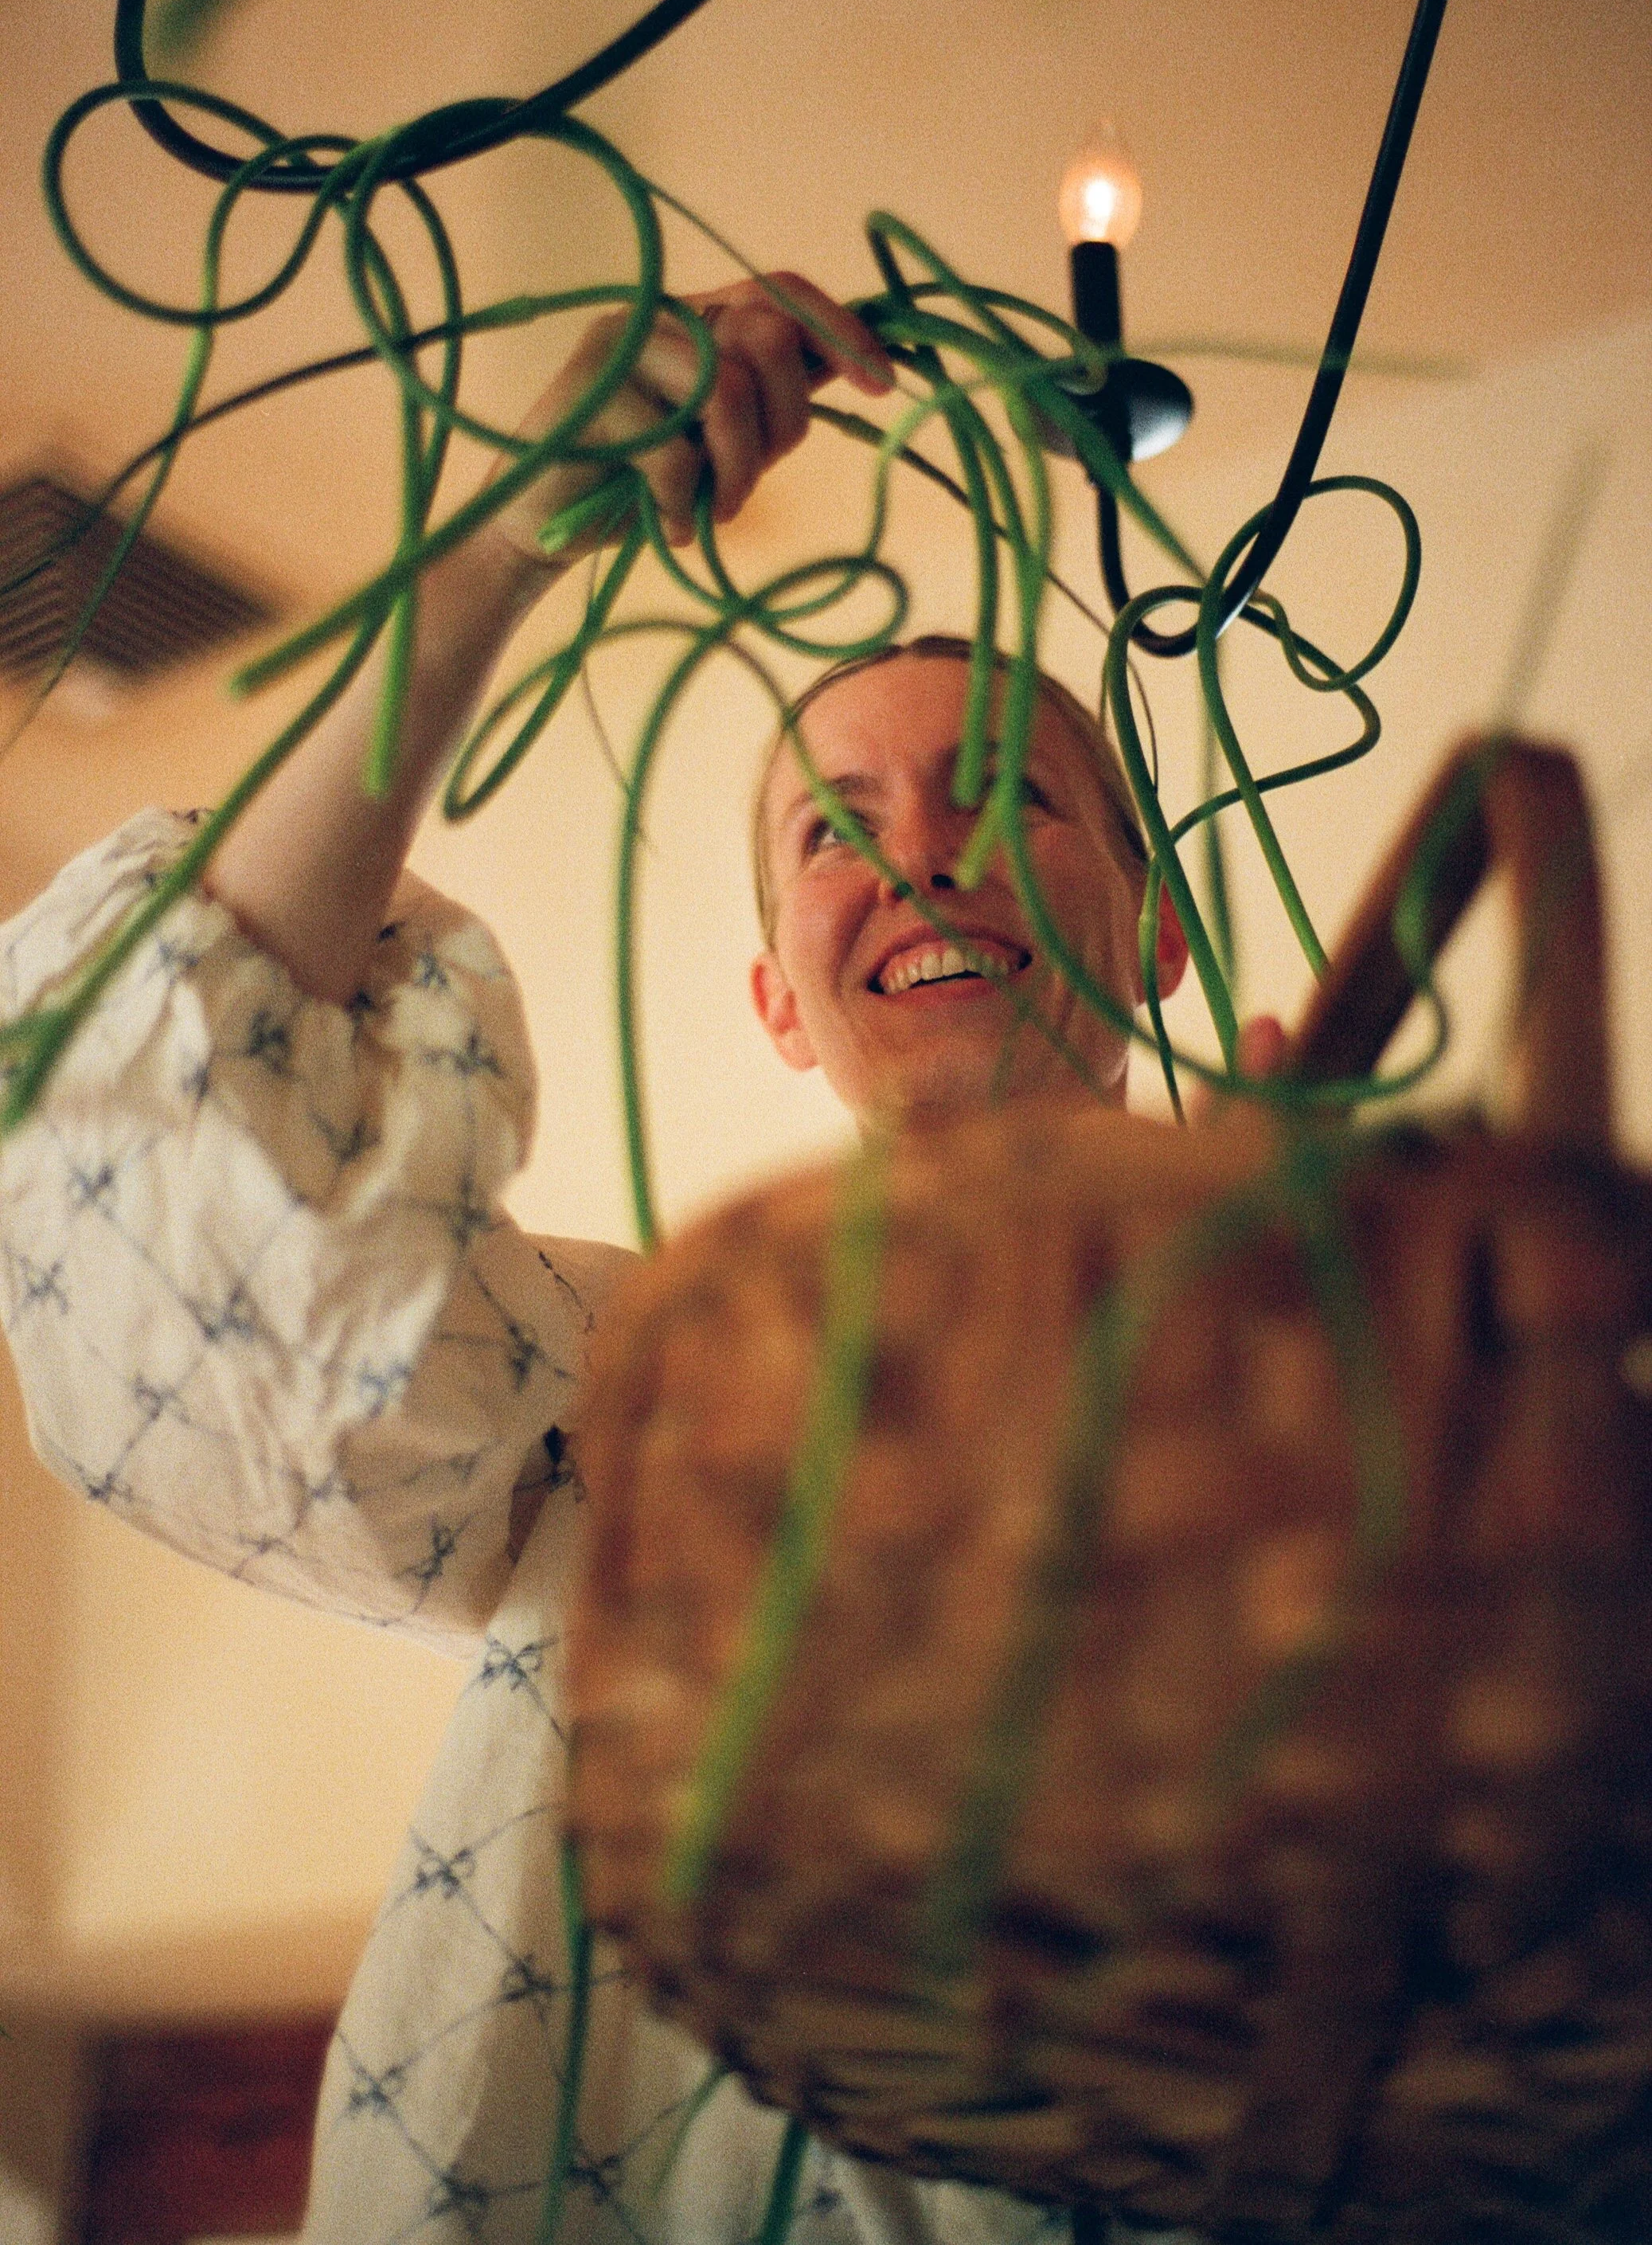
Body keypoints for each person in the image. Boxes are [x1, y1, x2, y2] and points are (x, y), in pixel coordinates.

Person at [0, 274, 1236, 2244]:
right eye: (835, 826)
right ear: (774, 999)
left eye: (1007, 783)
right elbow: (155, 1177)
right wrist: (501, 533)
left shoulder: (1356, 1365)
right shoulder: (633, 1388)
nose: (921, 848)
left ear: (1159, 926)